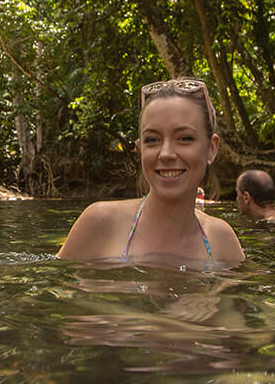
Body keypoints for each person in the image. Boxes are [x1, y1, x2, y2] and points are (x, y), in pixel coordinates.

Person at [58, 78, 245, 263]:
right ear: (140, 149)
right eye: (152, 140)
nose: (166, 154)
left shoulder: (221, 240)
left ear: (211, 148)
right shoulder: (100, 223)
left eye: (185, 138)